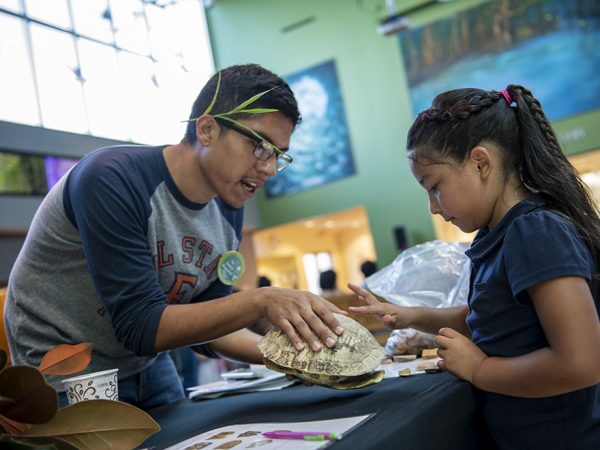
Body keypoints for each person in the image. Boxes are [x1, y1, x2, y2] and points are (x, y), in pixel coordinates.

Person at [5, 64, 346, 410]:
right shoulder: (111, 180)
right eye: (260, 146)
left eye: (278, 155)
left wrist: (298, 357)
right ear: (208, 129)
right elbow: (139, 324)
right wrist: (261, 300)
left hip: (144, 361)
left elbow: (210, 322)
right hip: (66, 371)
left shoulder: (227, 203)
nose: (270, 168)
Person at [349, 85, 600, 449]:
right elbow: (491, 318)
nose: (432, 208)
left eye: (434, 187)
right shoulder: (500, 233)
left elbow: (582, 362)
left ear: (481, 162)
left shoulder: (534, 232)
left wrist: (480, 370)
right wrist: (412, 315)